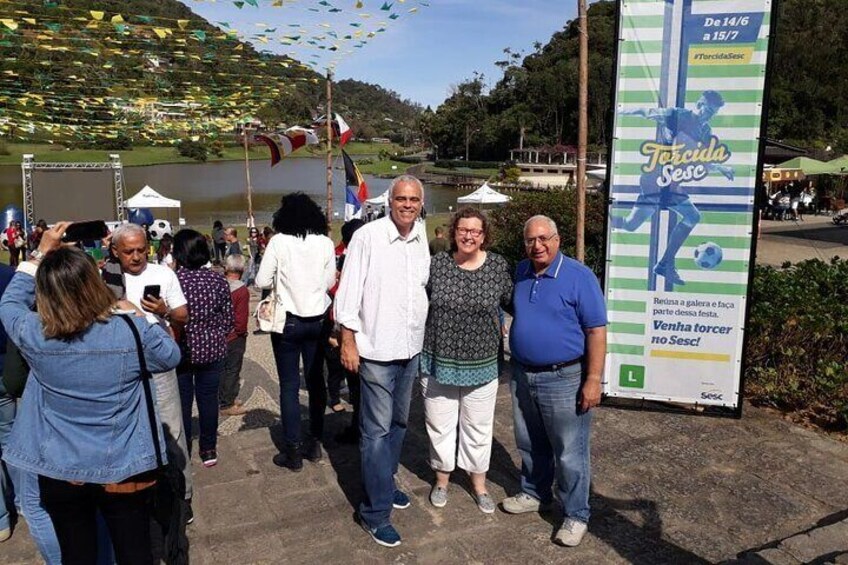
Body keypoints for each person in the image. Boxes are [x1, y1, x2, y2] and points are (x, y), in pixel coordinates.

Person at [0, 224, 181, 563]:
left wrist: (39, 252)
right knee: (134, 549)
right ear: (94, 285)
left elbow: (10, 302)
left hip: (62, 466)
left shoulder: (34, 333)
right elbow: (170, 356)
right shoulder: (127, 328)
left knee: (76, 551)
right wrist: (140, 316)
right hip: (123, 464)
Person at [334, 174, 430, 548]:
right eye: (401, 199)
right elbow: (348, 291)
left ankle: (385, 485)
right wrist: (348, 340)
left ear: (421, 203)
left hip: (410, 347)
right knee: (375, 433)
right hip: (374, 350)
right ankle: (375, 512)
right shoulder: (367, 237)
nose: (408, 205)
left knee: (400, 422)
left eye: (414, 200)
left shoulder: (421, 236)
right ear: (390, 201)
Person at [502, 215, 607, 548]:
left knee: (570, 452)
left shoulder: (579, 277)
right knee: (530, 442)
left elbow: (596, 331)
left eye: (544, 238)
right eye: (531, 240)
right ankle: (535, 493)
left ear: (558, 240)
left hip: (564, 377)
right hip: (522, 372)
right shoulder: (520, 272)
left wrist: (593, 379)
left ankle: (576, 514)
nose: (538, 246)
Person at [420, 207, 513, 514]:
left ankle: (479, 484)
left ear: (484, 236)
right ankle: (442, 480)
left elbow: (514, 303)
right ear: (453, 232)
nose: (469, 235)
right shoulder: (438, 265)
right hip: (438, 362)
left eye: (475, 231)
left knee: (478, 428)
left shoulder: (498, 266)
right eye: (463, 230)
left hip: (483, 365)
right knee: (439, 425)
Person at [107, 223, 194, 508]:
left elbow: (183, 315)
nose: (136, 257)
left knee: (172, 429)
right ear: (115, 251)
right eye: (128, 252)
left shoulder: (163, 273)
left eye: (141, 250)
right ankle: (146, 492)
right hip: (122, 365)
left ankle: (183, 496)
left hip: (158, 362)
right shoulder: (104, 277)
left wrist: (163, 311)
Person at [614, 90, 733, 286]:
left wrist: (720, 167)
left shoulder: (705, 132)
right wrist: (619, 111)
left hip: (671, 182)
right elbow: (646, 111)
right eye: (706, 109)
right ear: (699, 103)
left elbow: (700, 158)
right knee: (693, 216)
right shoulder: (678, 115)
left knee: (631, 224)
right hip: (657, 179)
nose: (707, 114)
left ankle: (611, 221)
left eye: (712, 112)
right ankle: (664, 264)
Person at [256, 193, 336, 472]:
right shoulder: (325, 243)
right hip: (317, 319)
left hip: (287, 320)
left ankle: (293, 451)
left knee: (289, 386)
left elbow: (261, 280)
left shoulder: (278, 242)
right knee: (316, 381)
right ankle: (314, 442)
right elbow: (329, 282)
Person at [173, 229, 234, 467]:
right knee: (208, 400)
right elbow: (229, 319)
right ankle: (208, 449)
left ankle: (183, 449)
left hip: (183, 349)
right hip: (212, 348)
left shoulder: (175, 280)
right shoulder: (218, 279)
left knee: (182, 402)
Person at [325, 219, 365, 437]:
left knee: (357, 387)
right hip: (367, 334)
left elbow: (339, 302)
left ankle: (358, 427)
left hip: (353, 334)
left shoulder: (347, 260)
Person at [220, 254, 250, 416]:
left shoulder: (219, 284)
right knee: (232, 369)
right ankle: (226, 403)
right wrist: (241, 332)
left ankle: (226, 396)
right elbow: (241, 318)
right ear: (242, 269)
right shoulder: (241, 290)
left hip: (219, 332)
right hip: (234, 335)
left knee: (222, 369)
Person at [0, 261, 14, 542]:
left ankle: (1, 518)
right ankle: (25, 502)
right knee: (12, 438)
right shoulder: (8, 274)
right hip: (6, 366)